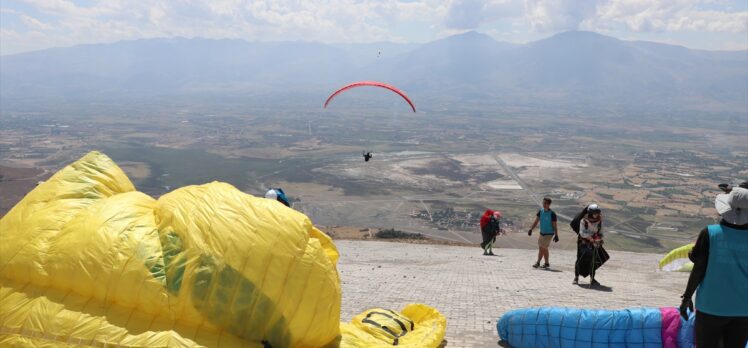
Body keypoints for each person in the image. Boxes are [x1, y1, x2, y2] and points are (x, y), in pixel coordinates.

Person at [679, 187, 748, 347]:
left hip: (711, 307)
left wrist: (687, 297)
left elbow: (699, 269)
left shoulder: (710, 233)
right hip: (744, 309)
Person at [574, 204, 603, 286]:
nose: (596, 215)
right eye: (595, 213)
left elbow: (601, 231)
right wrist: (591, 238)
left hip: (594, 243)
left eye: (597, 213)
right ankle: (576, 277)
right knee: (579, 259)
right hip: (583, 243)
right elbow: (582, 233)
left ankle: (592, 279)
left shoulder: (599, 220)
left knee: (593, 261)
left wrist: (599, 238)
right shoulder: (583, 221)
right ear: (590, 213)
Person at [528, 197, 559, 269]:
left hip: (549, 234)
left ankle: (538, 262)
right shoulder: (541, 211)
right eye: (543, 203)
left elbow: (555, 225)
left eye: (545, 203)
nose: (544, 204)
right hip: (542, 233)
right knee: (543, 248)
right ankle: (547, 263)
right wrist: (531, 229)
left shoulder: (552, 214)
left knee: (542, 248)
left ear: (549, 204)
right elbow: (536, 221)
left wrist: (556, 235)